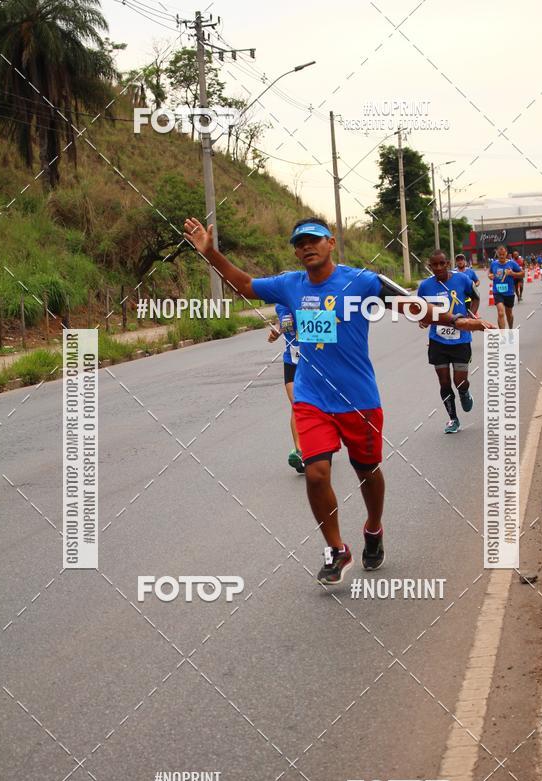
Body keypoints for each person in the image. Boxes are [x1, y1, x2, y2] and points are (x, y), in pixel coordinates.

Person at [183, 215, 494, 585]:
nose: (306, 247)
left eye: (314, 239)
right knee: (315, 472)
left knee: (368, 473)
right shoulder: (289, 286)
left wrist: (456, 320)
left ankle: (374, 528)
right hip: (311, 396)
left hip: (359, 399)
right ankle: (337, 549)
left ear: (331, 243)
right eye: (299, 243)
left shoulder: (360, 281)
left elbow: (410, 305)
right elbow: (245, 284)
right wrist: (211, 254)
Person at [419, 250, 479, 434]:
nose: (438, 268)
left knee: (460, 381)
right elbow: (419, 309)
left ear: (448, 263)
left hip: (461, 339)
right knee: (444, 383)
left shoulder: (461, 279)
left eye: (441, 263)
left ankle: (464, 392)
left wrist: (472, 315)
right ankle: (453, 419)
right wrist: (422, 319)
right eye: (434, 265)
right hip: (437, 340)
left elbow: (475, 296)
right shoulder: (425, 287)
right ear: (430, 267)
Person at [267, 305, 304, 474]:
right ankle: (300, 452)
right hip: (292, 362)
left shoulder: (312, 296)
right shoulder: (281, 305)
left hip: (316, 359)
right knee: (297, 403)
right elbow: (286, 323)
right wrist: (278, 331)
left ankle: (321, 441)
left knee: (318, 404)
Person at [489, 245, 522, 328]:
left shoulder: (512, 263)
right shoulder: (493, 264)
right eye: (500, 254)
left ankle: (510, 329)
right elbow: (490, 273)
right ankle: (502, 335)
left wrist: (512, 273)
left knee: (509, 314)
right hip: (497, 292)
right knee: (500, 313)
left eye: (503, 254)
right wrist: (490, 276)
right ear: (497, 254)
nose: (501, 256)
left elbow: (522, 274)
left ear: (506, 253)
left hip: (509, 292)